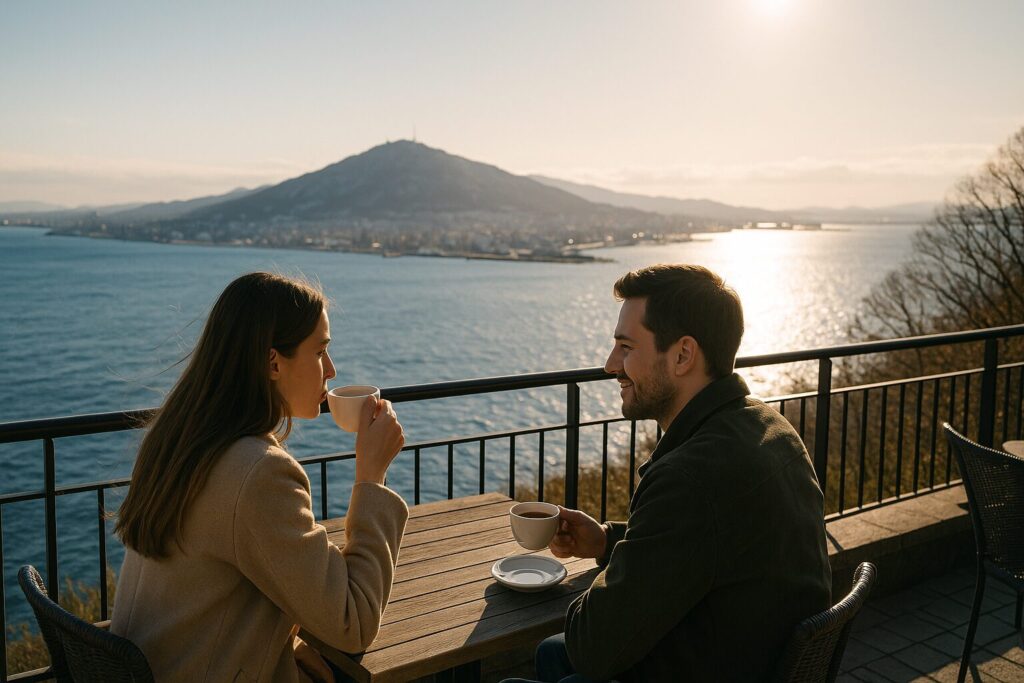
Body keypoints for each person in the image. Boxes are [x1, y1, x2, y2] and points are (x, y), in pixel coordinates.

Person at [506, 264, 832, 683]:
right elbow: (707, 542)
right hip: (750, 655)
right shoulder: (771, 427)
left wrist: (613, 585)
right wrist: (607, 540)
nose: (610, 365)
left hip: (707, 666)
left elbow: (593, 647)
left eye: (626, 347)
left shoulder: (691, 477)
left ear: (682, 355)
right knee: (553, 653)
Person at [111, 272, 408, 683]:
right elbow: (352, 622)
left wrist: (284, 641)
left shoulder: (180, 441)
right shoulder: (259, 473)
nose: (331, 370)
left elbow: (214, 585)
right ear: (273, 363)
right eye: (320, 352)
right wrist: (372, 476)